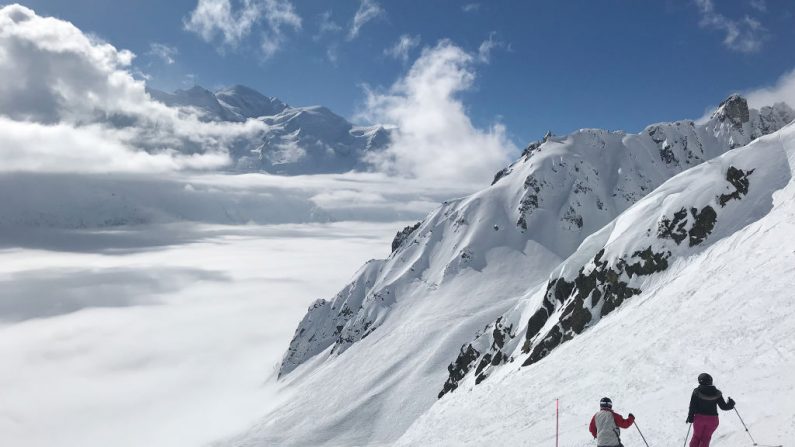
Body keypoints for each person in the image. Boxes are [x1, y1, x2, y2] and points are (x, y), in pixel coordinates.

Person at [687, 373, 735, 447]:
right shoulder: (716, 392)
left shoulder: (696, 392)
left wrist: (690, 417)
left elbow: (692, 405)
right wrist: (731, 404)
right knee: (706, 438)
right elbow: (724, 407)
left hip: (699, 419)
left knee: (696, 436)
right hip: (712, 420)